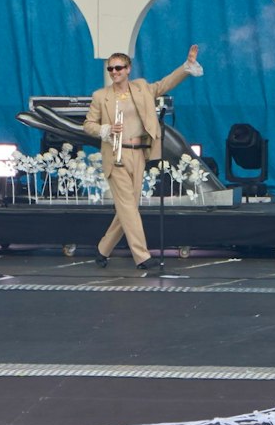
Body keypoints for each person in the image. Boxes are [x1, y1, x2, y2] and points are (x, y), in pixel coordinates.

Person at [79, 44, 200, 275]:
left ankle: (103, 249)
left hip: (139, 152)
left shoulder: (142, 87)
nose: (114, 72)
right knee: (128, 207)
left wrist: (186, 67)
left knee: (129, 208)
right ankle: (142, 257)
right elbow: (88, 125)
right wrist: (105, 129)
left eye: (119, 68)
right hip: (116, 154)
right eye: (111, 69)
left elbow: (165, 84)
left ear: (128, 69)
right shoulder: (101, 96)